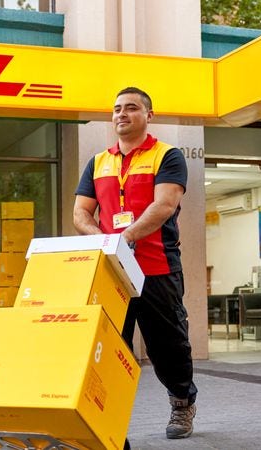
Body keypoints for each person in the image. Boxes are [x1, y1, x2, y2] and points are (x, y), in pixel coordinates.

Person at [73, 86, 198, 440]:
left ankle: (182, 401)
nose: (121, 114)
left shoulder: (167, 155)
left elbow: (164, 206)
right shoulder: (98, 162)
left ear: (148, 115)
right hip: (113, 272)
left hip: (157, 268)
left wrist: (124, 239)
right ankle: (108, 421)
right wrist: (104, 242)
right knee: (110, 351)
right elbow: (80, 213)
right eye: (116, 109)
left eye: (131, 108)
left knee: (168, 346)